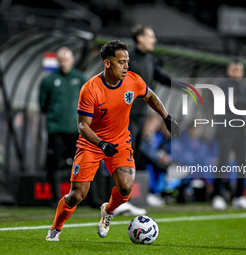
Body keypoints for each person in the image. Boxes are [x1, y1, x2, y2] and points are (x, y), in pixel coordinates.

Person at [45, 40, 180, 241]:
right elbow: (83, 126)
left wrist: (167, 118)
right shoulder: (90, 89)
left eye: (128, 62)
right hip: (92, 143)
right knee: (77, 195)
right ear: (108, 63)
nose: (127, 66)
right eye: (122, 62)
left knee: (126, 186)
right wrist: (101, 143)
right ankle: (56, 228)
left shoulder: (133, 80)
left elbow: (150, 96)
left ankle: (108, 211)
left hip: (120, 141)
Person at [39, 47, 87, 206]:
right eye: (61, 59)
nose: (64, 62)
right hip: (57, 129)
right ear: (57, 61)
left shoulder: (80, 79)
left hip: (77, 129)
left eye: (66, 59)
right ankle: (55, 198)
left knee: (84, 163)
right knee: (55, 164)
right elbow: (43, 105)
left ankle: (90, 198)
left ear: (72, 60)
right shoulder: (49, 81)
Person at [211, 61, 246, 210]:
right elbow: (224, 102)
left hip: (241, 130)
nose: (237, 72)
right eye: (234, 69)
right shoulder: (221, 85)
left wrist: (237, 101)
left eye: (239, 70)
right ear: (228, 70)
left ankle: (239, 196)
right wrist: (238, 103)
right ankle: (217, 195)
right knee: (222, 162)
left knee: (243, 163)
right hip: (226, 129)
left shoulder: (244, 86)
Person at [128, 24, 174, 167]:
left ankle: (126, 188)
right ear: (140, 38)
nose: (154, 40)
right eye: (151, 37)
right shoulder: (127, 59)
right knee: (123, 157)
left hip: (141, 115)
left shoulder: (149, 59)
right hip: (125, 116)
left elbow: (162, 78)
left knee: (134, 156)